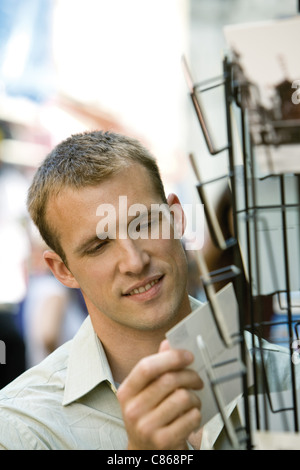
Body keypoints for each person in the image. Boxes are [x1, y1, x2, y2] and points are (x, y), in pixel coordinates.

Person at [0, 130, 298, 450]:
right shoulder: (22, 427)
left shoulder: (285, 377)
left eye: (144, 224)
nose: (134, 261)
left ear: (176, 217)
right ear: (63, 270)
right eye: (99, 246)